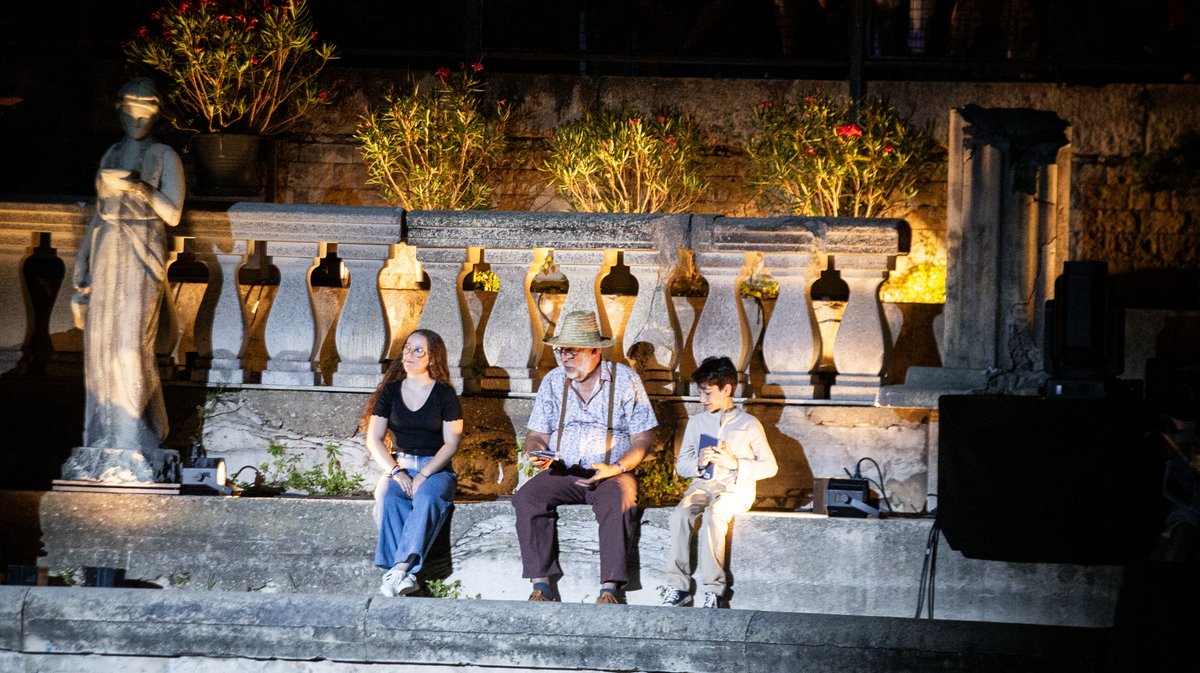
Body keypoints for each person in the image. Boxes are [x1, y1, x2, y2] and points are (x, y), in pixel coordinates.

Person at [514, 310, 659, 604]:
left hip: (612, 471)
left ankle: (610, 588)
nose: (564, 357)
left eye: (571, 351)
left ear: (594, 350)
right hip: (564, 471)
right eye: (560, 350)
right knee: (526, 497)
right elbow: (536, 434)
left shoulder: (625, 380)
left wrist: (616, 467)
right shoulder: (553, 382)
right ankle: (540, 584)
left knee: (619, 500)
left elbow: (644, 438)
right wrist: (536, 453)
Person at [73, 77, 185, 452]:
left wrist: (139, 187)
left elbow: (172, 214)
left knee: (132, 344)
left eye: (145, 116)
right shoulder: (109, 155)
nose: (137, 124)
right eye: (131, 116)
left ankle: (138, 435)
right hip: (108, 249)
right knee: (101, 345)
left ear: (155, 116)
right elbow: (97, 216)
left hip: (142, 249)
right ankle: (104, 437)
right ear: (120, 113)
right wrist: (80, 276)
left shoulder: (165, 155)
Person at [661, 356, 777, 608]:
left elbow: (770, 467)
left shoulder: (749, 424)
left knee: (715, 516)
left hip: (735, 490)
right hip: (703, 486)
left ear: (726, 390)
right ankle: (678, 587)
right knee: (680, 515)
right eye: (701, 393)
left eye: (707, 393)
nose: (702, 400)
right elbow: (682, 466)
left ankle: (713, 589)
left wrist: (736, 464)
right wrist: (699, 464)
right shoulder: (697, 422)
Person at [363, 329, 463, 597]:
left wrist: (423, 476)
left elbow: (451, 443)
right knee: (388, 496)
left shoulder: (444, 394)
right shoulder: (390, 392)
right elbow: (374, 438)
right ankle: (403, 575)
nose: (409, 354)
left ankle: (399, 568)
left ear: (432, 358)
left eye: (418, 350)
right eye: (407, 348)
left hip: (436, 468)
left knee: (428, 498)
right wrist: (396, 472)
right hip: (401, 464)